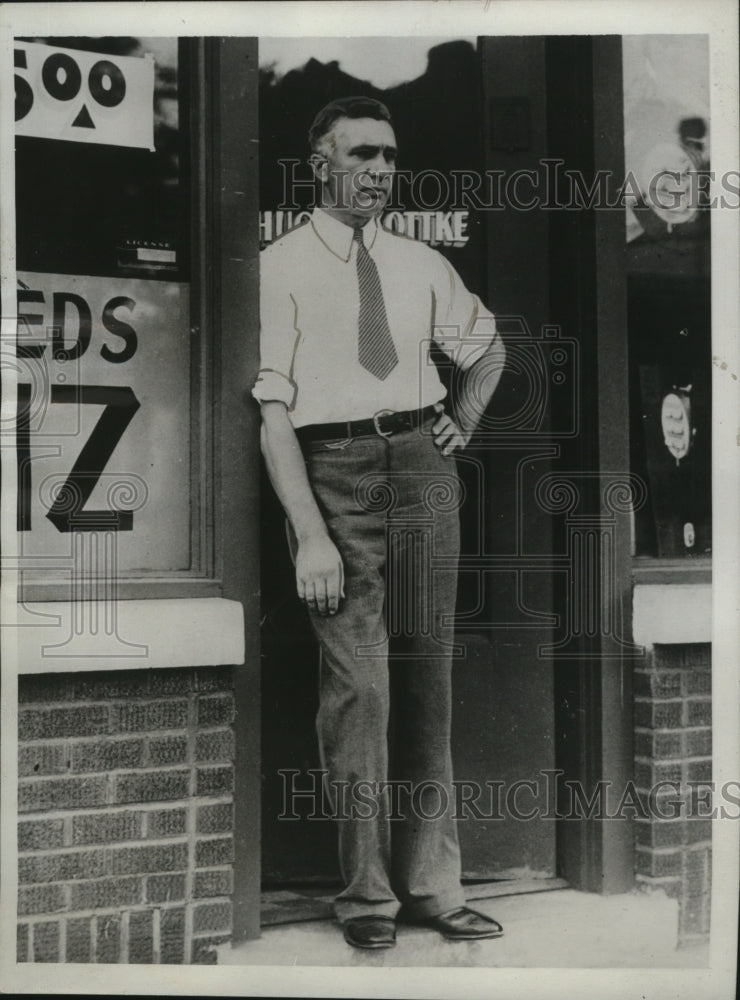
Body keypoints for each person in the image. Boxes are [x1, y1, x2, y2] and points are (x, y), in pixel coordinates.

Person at [253, 96, 506, 950]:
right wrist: (310, 532)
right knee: (360, 691)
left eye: (390, 157)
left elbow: (488, 347)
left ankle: (436, 886)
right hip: (336, 475)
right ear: (319, 163)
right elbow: (272, 416)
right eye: (361, 153)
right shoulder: (278, 265)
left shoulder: (419, 262)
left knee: (428, 679)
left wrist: (461, 422)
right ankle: (366, 900)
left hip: (424, 472)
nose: (380, 170)